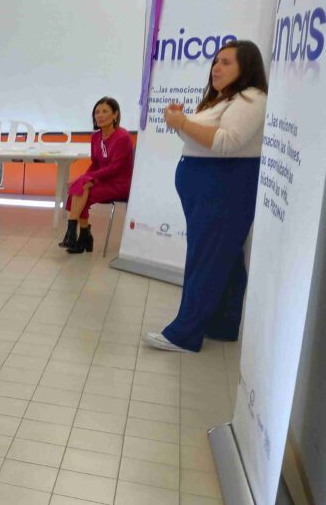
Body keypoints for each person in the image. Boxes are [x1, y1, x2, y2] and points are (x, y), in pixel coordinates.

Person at [144, 40, 268, 354]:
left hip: (224, 187)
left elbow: (228, 142)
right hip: (210, 186)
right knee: (224, 258)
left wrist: (182, 122)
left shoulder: (251, 98)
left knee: (206, 258)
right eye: (215, 61)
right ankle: (223, 324)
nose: (216, 67)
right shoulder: (222, 100)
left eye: (226, 62)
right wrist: (180, 122)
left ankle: (185, 334)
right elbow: (202, 139)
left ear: (247, 66)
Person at [59, 97, 134, 254]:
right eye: (97, 112)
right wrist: (83, 179)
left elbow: (115, 168)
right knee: (78, 188)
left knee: (80, 190)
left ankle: (77, 235)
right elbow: (95, 164)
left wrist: (89, 179)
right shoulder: (95, 137)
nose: (99, 115)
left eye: (105, 111)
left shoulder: (123, 137)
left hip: (119, 184)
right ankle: (81, 236)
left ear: (115, 115)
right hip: (102, 180)